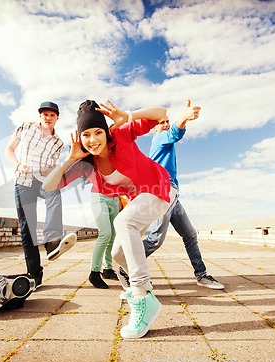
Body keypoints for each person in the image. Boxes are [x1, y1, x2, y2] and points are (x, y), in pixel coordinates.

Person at [43, 99, 197, 338]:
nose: (93, 140)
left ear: (105, 132)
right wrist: (70, 159)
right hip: (141, 201)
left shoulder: (121, 136)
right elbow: (48, 185)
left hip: (160, 187)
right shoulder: (87, 165)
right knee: (117, 254)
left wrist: (128, 115)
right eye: (86, 135)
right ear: (79, 137)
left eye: (97, 132)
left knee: (123, 223)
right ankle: (139, 284)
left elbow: (160, 113)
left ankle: (142, 296)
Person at [142, 100, 224, 290]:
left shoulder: (165, 143)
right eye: (161, 122)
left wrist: (182, 120)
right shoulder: (159, 139)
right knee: (155, 240)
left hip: (173, 195)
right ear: (154, 128)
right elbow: (174, 134)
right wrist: (184, 118)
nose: (165, 124)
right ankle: (127, 266)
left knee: (190, 235)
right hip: (162, 193)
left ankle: (201, 275)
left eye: (167, 121)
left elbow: (174, 133)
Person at [4, 101, 77, 289]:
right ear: (40, 116)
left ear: (57, 118)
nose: (48, 118)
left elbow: (53, 165)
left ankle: (52, 241)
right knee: (26, 228)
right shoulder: (25, 127)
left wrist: (52, 170)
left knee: (54, 192)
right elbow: (9, 149)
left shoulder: (58, 142)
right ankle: (34, 273)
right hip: (23, 180)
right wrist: (18, 165)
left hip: (44, 180)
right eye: (45, 114)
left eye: (52, 115)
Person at [88, 192, 120, 289]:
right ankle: (94, 272)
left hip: (115, 198)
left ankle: (108, 270)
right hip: (100, 196)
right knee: (105, 234)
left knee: (112, 235)